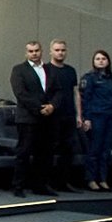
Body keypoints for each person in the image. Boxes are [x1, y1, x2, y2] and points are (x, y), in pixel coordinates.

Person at [9, 40, 57, 196]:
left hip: (48, 117)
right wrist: (39, 108)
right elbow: (20, 93)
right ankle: (18, 187)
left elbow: (59, 91)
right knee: (24, 152)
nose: (34, 53)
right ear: (26, 53)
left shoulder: (50, 69)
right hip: (28, 117)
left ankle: (40, 185)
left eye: (36, 50)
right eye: (30, 51)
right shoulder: (19, 70)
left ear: (41, 51)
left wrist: (52, 106)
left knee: (45, 154)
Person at [78, 50, 112, 191]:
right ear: (93, 61)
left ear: (108, 61)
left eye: (103, 58)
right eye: (97, 59)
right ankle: (90, 179)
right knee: (94, 149)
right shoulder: (89, 77)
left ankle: (102, 179)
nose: (101, 61)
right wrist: (86, 118)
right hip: (96, 116)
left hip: (111, 117)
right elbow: (85, 99)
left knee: (106, 150)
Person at [44, 40, 79, 190]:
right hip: (52, 115)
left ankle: (63, 182)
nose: (60, 52)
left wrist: (79, 115)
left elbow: (76, 93)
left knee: (68, 149)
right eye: (57, 50)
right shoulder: (45, 69)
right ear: (51, 51)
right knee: (49, 149)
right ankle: (48, 182)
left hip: (69, 114)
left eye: (63, 50)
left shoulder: (71, 71)